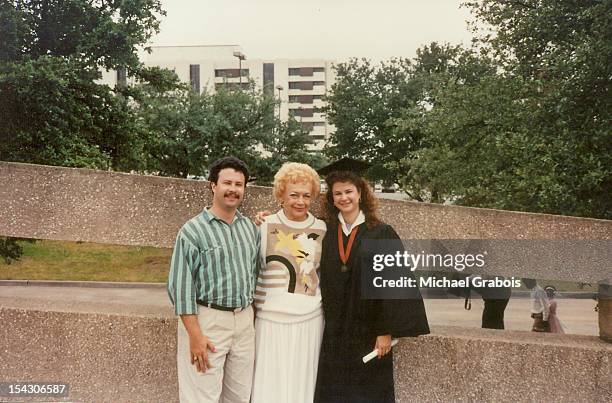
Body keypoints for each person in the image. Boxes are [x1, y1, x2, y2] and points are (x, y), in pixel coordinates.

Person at [314, 169, 430, 403]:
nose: (343, 198)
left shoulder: (380, 232)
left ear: (360, 194)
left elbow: (395, 282)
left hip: (369, 332)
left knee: (369, 393)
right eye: (338, 193)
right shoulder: (324, 230)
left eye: (349, 191)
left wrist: (385, 331)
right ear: (331, 198)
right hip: (334, 331)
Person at [167, 156, 260, 403]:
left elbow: (254, 273)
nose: (233, 189)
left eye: (239, 184)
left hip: (243, 321)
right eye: (227, 182)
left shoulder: (250, 229)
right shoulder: (192, 230)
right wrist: (195, 335)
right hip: (208, 321)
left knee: (239, 396)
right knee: (201, 396)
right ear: (213, 185)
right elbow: (181, 286)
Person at [251, 162, 327, 403]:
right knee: (268, 386)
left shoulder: (322, 228)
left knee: (302, 387)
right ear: (281, 194)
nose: (300, 201)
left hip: (310, 319)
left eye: (306, 195)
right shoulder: (263, 226)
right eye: (294, 194)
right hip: (269, 319)